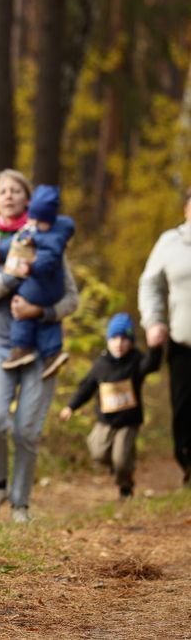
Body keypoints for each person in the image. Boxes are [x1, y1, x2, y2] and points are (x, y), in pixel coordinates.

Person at [0, 170, 79, 523]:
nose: (10, 195)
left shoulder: (47, 235)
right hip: (0, 344)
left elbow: (71, 298)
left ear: (28, 200)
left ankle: (20, 503)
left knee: (27, 431)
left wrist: (41, 311)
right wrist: (16, 270)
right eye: (3, 191)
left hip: (43, 348)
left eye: (17, 190)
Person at [58, 313, 163, 499]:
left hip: (128, 422)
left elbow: (151, 365)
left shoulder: (136, 361)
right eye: (115, 338)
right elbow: (86, 388)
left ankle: (125, 487)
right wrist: (70, 407)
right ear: (108, 340)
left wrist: (155, 347)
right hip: (105, 420)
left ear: (131, 341)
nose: (119, 343)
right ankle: (115, 466)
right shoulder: (101, 365)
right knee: (97, 453)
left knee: (122, 459)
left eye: (124, 339)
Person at [0, 184, 74, 377]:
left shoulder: (54, 237)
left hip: (45, 285)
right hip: (46, 289)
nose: (31, 223)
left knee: (20, 307)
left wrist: (31, 266)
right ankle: (52, 353)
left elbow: (49, 259)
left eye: (36, 220)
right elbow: (15, 241)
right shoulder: (35, 228)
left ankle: (21, 348)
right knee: (45, 324)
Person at [138, 187, 191, 486]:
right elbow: (150, 284)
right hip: (184, 342)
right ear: (186, 209)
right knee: (184, 409)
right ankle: (186, 461)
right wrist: (154, 321)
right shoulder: (171, 243)